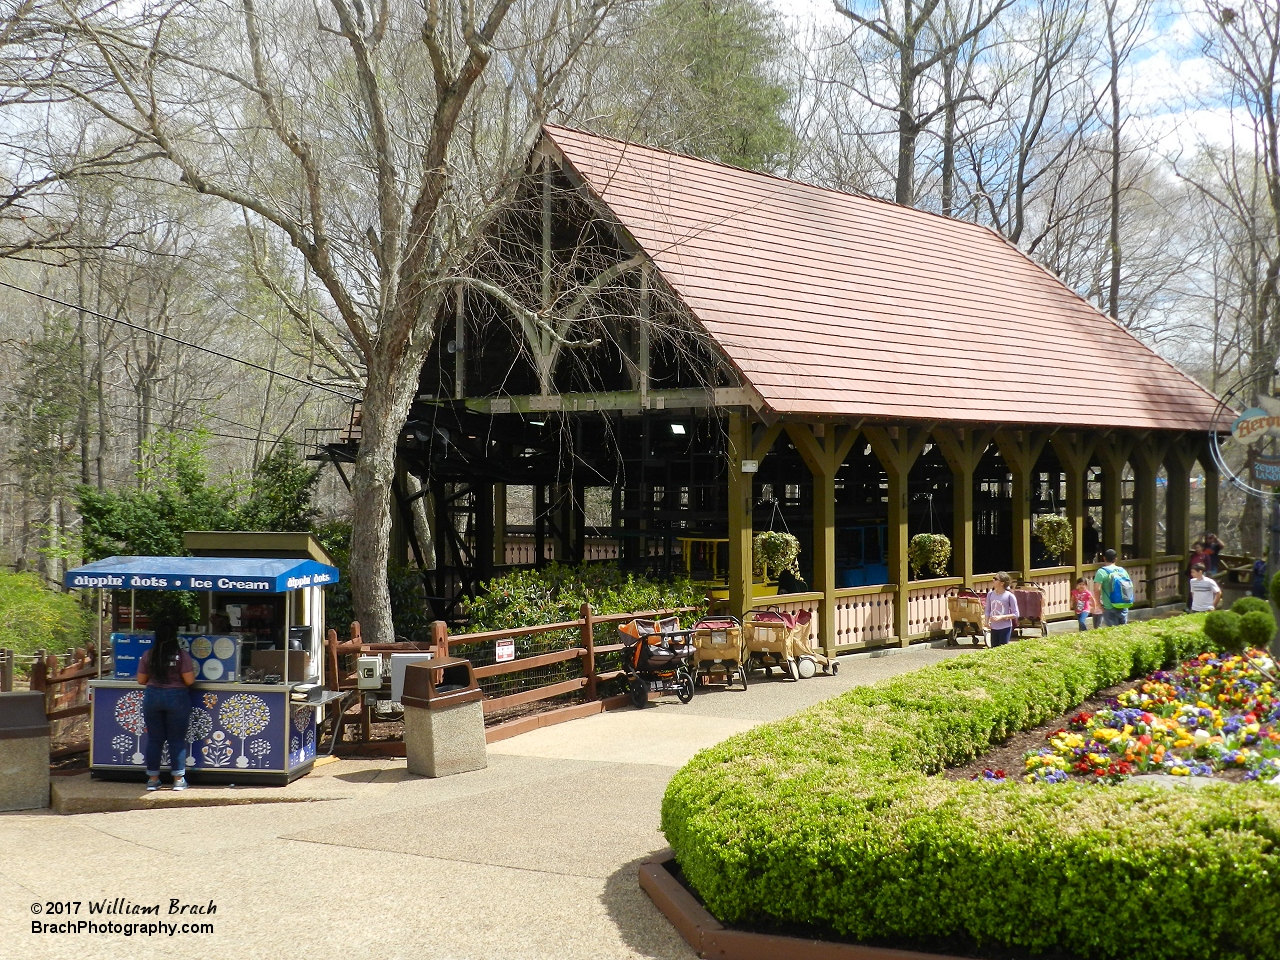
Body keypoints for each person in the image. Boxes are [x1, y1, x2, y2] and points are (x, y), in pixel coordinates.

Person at [136, 618, 196, 792]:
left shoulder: (149, 654)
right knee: (176, 739)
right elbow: (189, 680)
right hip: (177, 697)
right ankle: (178, 780)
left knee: (155, 739)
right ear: (175, 636)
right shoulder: (182, 655)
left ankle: (153, 780)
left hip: (152, 697)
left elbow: (141, 680)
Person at [1093, 549, 1135, 627]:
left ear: (1104, 558)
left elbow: (1096, 589)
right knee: (1123, 631)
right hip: (1124, 604)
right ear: (1115, 559)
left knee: (1113, 632)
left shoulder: (1101, 572)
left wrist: (1098, 604)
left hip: (1109, 606)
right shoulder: (1122, 571)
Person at [984, 572, 1020, 647]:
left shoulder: (1009, 596)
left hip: (1005, 627)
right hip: (994, 627)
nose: (993, 580)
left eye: (996, 579)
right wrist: (986, 622)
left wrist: (1001, 617)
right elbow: (987, 610)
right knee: (994, 650)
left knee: (1002, 649)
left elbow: (1016, 614)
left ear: (1002, 583)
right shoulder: (990, 594)